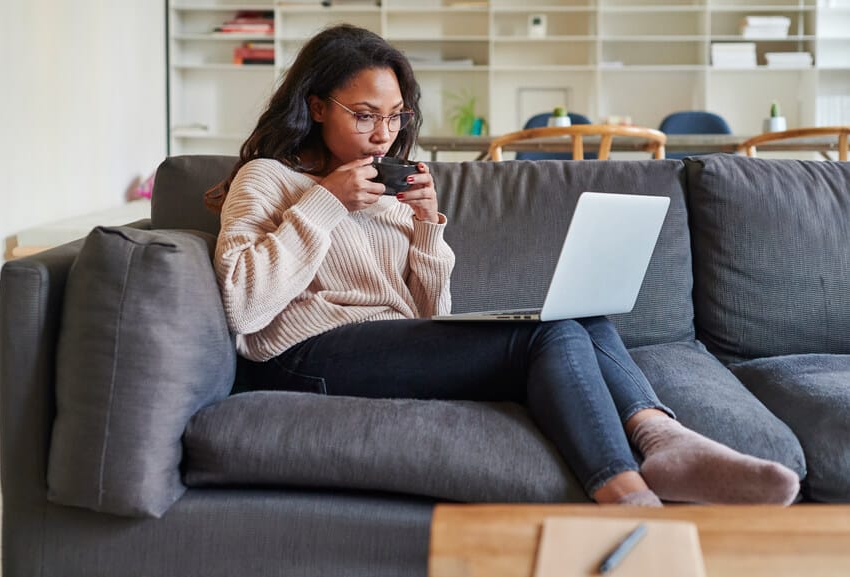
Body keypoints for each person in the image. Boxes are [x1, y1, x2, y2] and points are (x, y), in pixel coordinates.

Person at [207, 23, 800, 506]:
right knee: (545, 337)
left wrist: (424, 227)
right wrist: (325, 202)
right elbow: (243, 304)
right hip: (300, 357)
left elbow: (428, 318)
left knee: (582, 317)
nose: (382, 136)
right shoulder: (270, 180)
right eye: (363, 115)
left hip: (380, 343)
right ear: (315, 107)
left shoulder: (385, 191)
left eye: (395, 117)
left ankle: (664, 437)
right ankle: (626, 494)